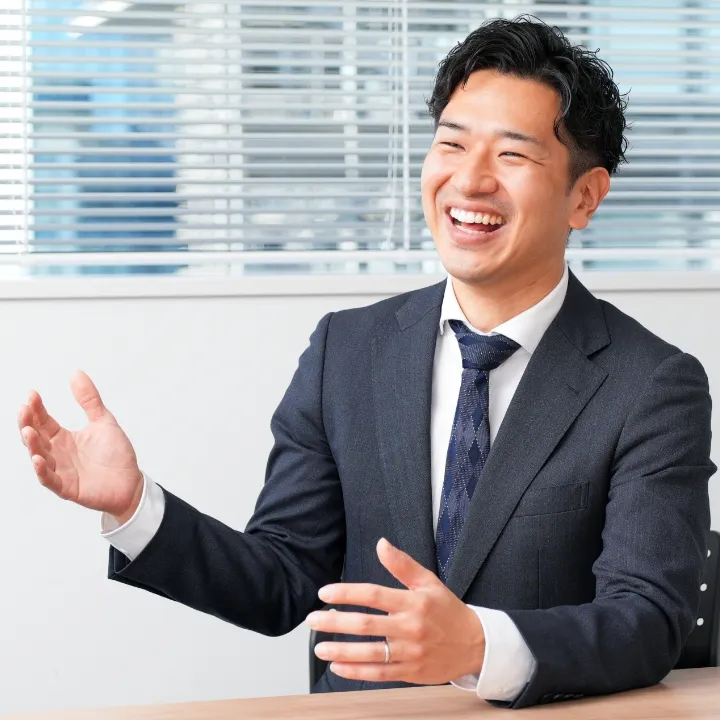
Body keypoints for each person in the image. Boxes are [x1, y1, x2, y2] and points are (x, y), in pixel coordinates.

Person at [18, 16, 715, 709]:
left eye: (512, 155)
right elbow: (284, 579)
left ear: (584, 196)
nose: (470, 180)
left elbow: (648, 619)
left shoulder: (650, 385)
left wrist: (479, 646)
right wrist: (135, 506)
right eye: (452, 143)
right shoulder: (345, 352)